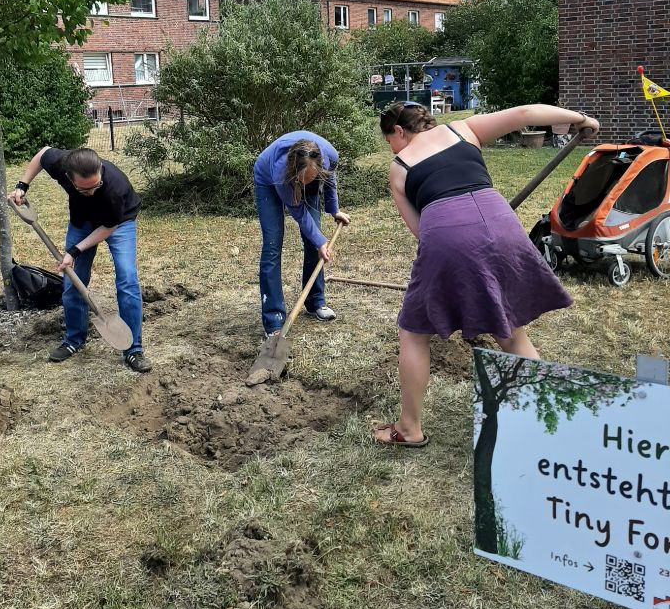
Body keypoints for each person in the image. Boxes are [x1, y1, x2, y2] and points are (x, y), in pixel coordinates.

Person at [373, 102, 599, 448]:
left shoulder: (399, 167)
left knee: (414, 333)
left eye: (389, 139)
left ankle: (409, 429)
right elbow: (525, 115)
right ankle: (549, 416)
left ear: (399, 131)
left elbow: (422, 232)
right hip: (502, 223)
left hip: (447, 235)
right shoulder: (463, 129)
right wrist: (582, 119)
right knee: (509, 330)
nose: (391, 147)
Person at [9, 146, 152, 373]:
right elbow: (43, 153)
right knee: (74, 279)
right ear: (69, 177)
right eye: (84, 190)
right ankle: (74, 340)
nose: (92, 192)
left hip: (118, 223)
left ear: (100, 172)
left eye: (96, 186)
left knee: (127, 279)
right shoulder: (61, 163)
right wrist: (22, 185)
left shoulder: (114, 186)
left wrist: (74, 251)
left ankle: (133, 349)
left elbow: (108, 227)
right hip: (82, 221)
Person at [253, 132, 350, 339]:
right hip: (267, 181)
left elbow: (330, 179)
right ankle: (273, 320)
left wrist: (334, 210)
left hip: (306, 173)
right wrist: (321, 241)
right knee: (272, 245)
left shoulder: (329, 155)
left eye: (310, 179)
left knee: (313, 241)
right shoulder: (281, 172)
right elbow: (299, 213)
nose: (304, 184)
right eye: (302, 180)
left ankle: (315, 302)